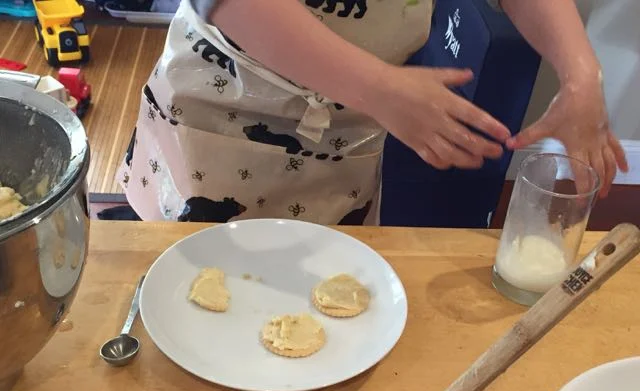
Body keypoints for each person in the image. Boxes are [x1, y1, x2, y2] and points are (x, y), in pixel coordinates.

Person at [116, 0, 628, 225]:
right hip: (221, 104)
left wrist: (582, 74)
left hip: (347, 137)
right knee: (187, 298)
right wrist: (377, 88)